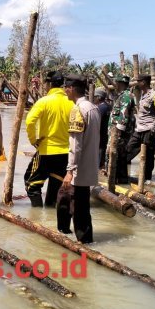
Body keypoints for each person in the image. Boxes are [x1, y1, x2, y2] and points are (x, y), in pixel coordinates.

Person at [57, 75, 100, 243]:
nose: (64, 91)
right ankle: (64, 233)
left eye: (65, 88)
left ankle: (85, 243)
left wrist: (70, 170)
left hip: (79, 169)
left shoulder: (78, 110)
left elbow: (76, 145)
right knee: (64, 198)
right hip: (89, 165)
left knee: (79, 208)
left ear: (72, 89)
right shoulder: (93, 107)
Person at [23, 71, 73, 207]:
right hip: (65, 153)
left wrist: (34, 140)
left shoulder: (44, 101)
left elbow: (29, 121)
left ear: (49, 84)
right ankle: (50, 219)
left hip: (46, 151)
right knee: (56, 185)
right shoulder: (71, 103)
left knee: (31, 184)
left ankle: (37, 214)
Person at [126, 74, 155, 181]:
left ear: (143, 82)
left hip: (149, 130)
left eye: (138, 81)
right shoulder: (142, 95)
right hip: (139, 129)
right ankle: (122, 175)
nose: (137, 83)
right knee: (128, 150)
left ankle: (146, 179)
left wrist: (154, 129)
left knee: (148, 156)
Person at [108, 75, 135, 184]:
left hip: (119, 134)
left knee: (118, 155)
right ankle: (119, 179)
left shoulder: (126, 96)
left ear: (121, 83)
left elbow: (123, 115)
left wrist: (117, 133)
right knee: (119, 156)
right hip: (117, 133)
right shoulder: (123, 95)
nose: (115, 85)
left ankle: (117, 180)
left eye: (117, 83)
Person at [93, 89, 111, 171]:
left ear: (99, 97)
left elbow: (96, 120)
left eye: (95, 97)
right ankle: (102, 165)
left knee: (100, 149)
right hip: (105, 132)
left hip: (100, 132)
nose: (93, 98)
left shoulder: (100, 108)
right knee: (102, 149)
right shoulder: (108, 106)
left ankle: (99, 166)